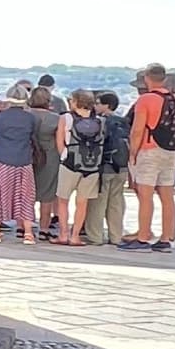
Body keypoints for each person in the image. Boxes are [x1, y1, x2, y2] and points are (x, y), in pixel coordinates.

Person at [125, 62, 175, 252]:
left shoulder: (146, 99)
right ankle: (166, 238)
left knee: (146, 194)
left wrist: (133, 152)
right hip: (170, 151)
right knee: (167, 196)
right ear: (164, 78)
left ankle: (143, 237)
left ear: (147, 79)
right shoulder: (174, 98)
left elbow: (138, 129)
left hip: (149, 150)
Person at [0, 82, 40, 240]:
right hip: (24, 160)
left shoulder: (0, 115)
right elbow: (33, 136)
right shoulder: (30, 118)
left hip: (2, 158)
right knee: (26, 196)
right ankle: (28, 233)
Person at [55, 89, 105, 245]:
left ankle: (63, 234)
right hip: (91, 167)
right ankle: (75, 235)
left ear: (75, 101)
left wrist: (64, 155)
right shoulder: (100, 121)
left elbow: (59, 141)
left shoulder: (66, 118)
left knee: (63, 201)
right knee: (82, 203)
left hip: (69, 163)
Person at [88, 91, 131, 246]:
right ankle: (116, 236)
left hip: (104, 166)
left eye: (98, 103)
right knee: (116, 202)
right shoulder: (124, 121)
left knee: (98, 202)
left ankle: (95, 236)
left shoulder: (99, 122)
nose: (95, 106)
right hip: (122, 167)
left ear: (107, 106)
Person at [28, 83, 63, 239]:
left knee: (27, 193)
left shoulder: (26, 115)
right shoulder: (56, 119)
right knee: (47, 195)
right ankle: (44, 229)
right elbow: (60, 141)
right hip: (50, 157)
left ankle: (24, 227)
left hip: (28, 156)